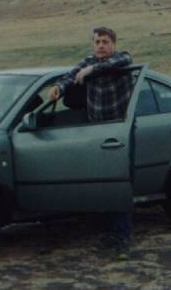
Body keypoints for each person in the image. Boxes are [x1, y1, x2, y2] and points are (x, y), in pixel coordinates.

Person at [49, 26, 134, 257]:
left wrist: (92, 70)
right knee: (99, 182)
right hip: (95, 133)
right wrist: (58, 88)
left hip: (118, 132)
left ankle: (122, 238)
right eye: (97, 42)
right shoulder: (87, 62)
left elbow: (122, 61)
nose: (101, 46)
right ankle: (104, 233)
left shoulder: (122, 59)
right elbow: (70, 76)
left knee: (117, 183)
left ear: (113, 44)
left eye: (105, 42)